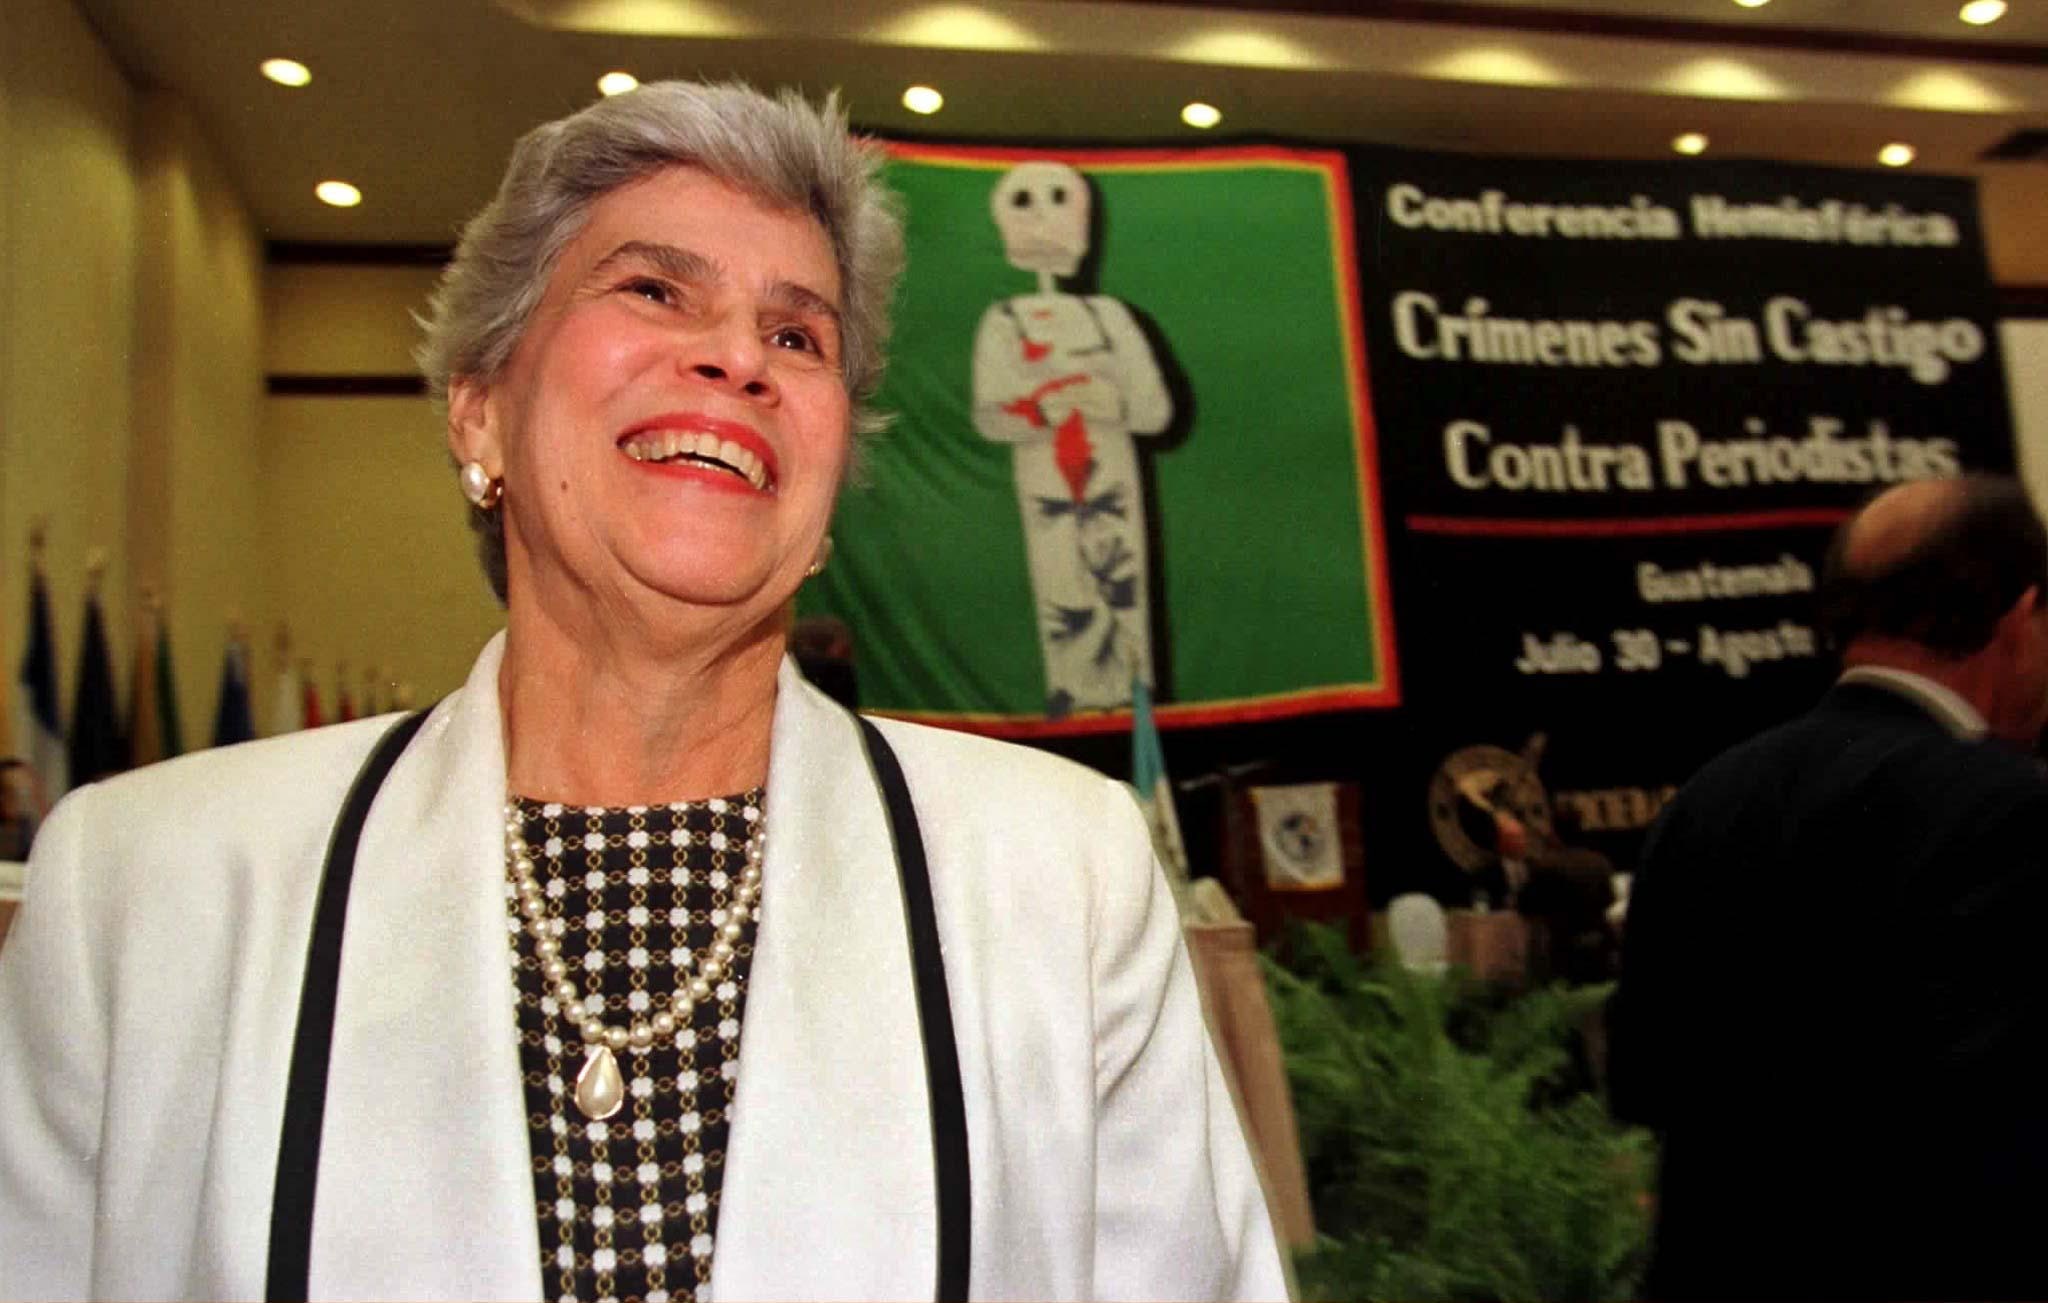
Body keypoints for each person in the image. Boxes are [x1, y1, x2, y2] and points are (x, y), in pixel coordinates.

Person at [0, 82, 1288, 1301]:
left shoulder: (1057, 874)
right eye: (656, 289)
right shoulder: (146, 887)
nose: (737, 358)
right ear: (479, 412)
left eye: (796, 334)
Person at [1608, 474, 2048, 1302]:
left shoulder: (1705, 800)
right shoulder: (2009, 812)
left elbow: (1641, 1079)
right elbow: (2005, 1130)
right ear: (2020, 619)